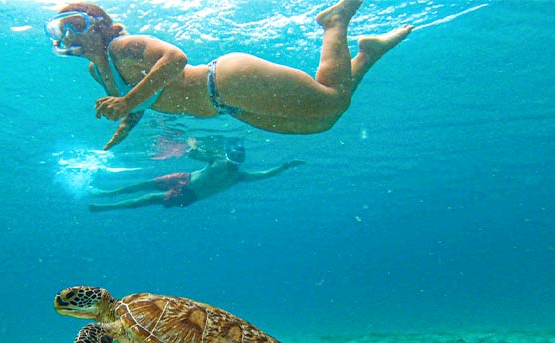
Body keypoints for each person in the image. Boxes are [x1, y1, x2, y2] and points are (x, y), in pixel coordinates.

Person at [44, 0, 413, 150]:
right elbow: (141, 102)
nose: (69, 36)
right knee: (324, 122)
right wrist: (123, 126)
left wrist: (125, 101)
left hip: (227, 80)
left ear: (99, 24)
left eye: (75, 24)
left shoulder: (123, 47)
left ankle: (336, 22)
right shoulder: (99, 71)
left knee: (331, 100)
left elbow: (175, 59)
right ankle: (369, 53)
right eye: (61, 30)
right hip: (228, 105)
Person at [88, 138, 303, 211]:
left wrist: (286, 166)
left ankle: (107, 206)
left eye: (239, 157)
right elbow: (196, 155)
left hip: (190, 194)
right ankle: (107, 193)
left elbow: (265, 174)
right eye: (235, 155)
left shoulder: (239, 175)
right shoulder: (220, 161)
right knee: (145, 184)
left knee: (148, 198)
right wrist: (194, 149)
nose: (235, 159)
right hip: (185, 178)